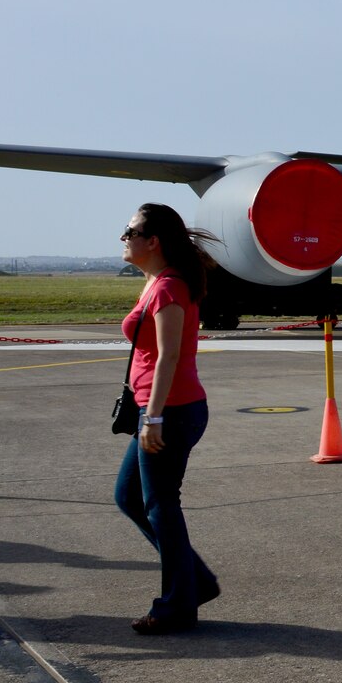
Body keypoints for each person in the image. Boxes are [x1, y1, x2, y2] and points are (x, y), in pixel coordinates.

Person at [114, 203, 220, 634]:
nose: (124, 238)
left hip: (171, 411)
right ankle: (193, 582)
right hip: (160, 409)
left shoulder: (167, 288)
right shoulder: (157, 283)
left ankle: (177, 605)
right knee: (131, 498)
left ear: (152, 241)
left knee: (159, 504)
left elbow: (170, 355)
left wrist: (152, 417)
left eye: (129, 231)